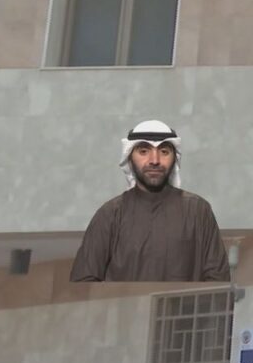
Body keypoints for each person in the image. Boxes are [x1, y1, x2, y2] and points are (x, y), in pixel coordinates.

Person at [69, 120, 230, 282]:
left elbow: (218, 281)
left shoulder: (198, 211)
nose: (154, 160)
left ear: (174, 159)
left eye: (164, 151)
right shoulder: (110, 214)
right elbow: (84, 283)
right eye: (144, 151)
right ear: (129, 158)